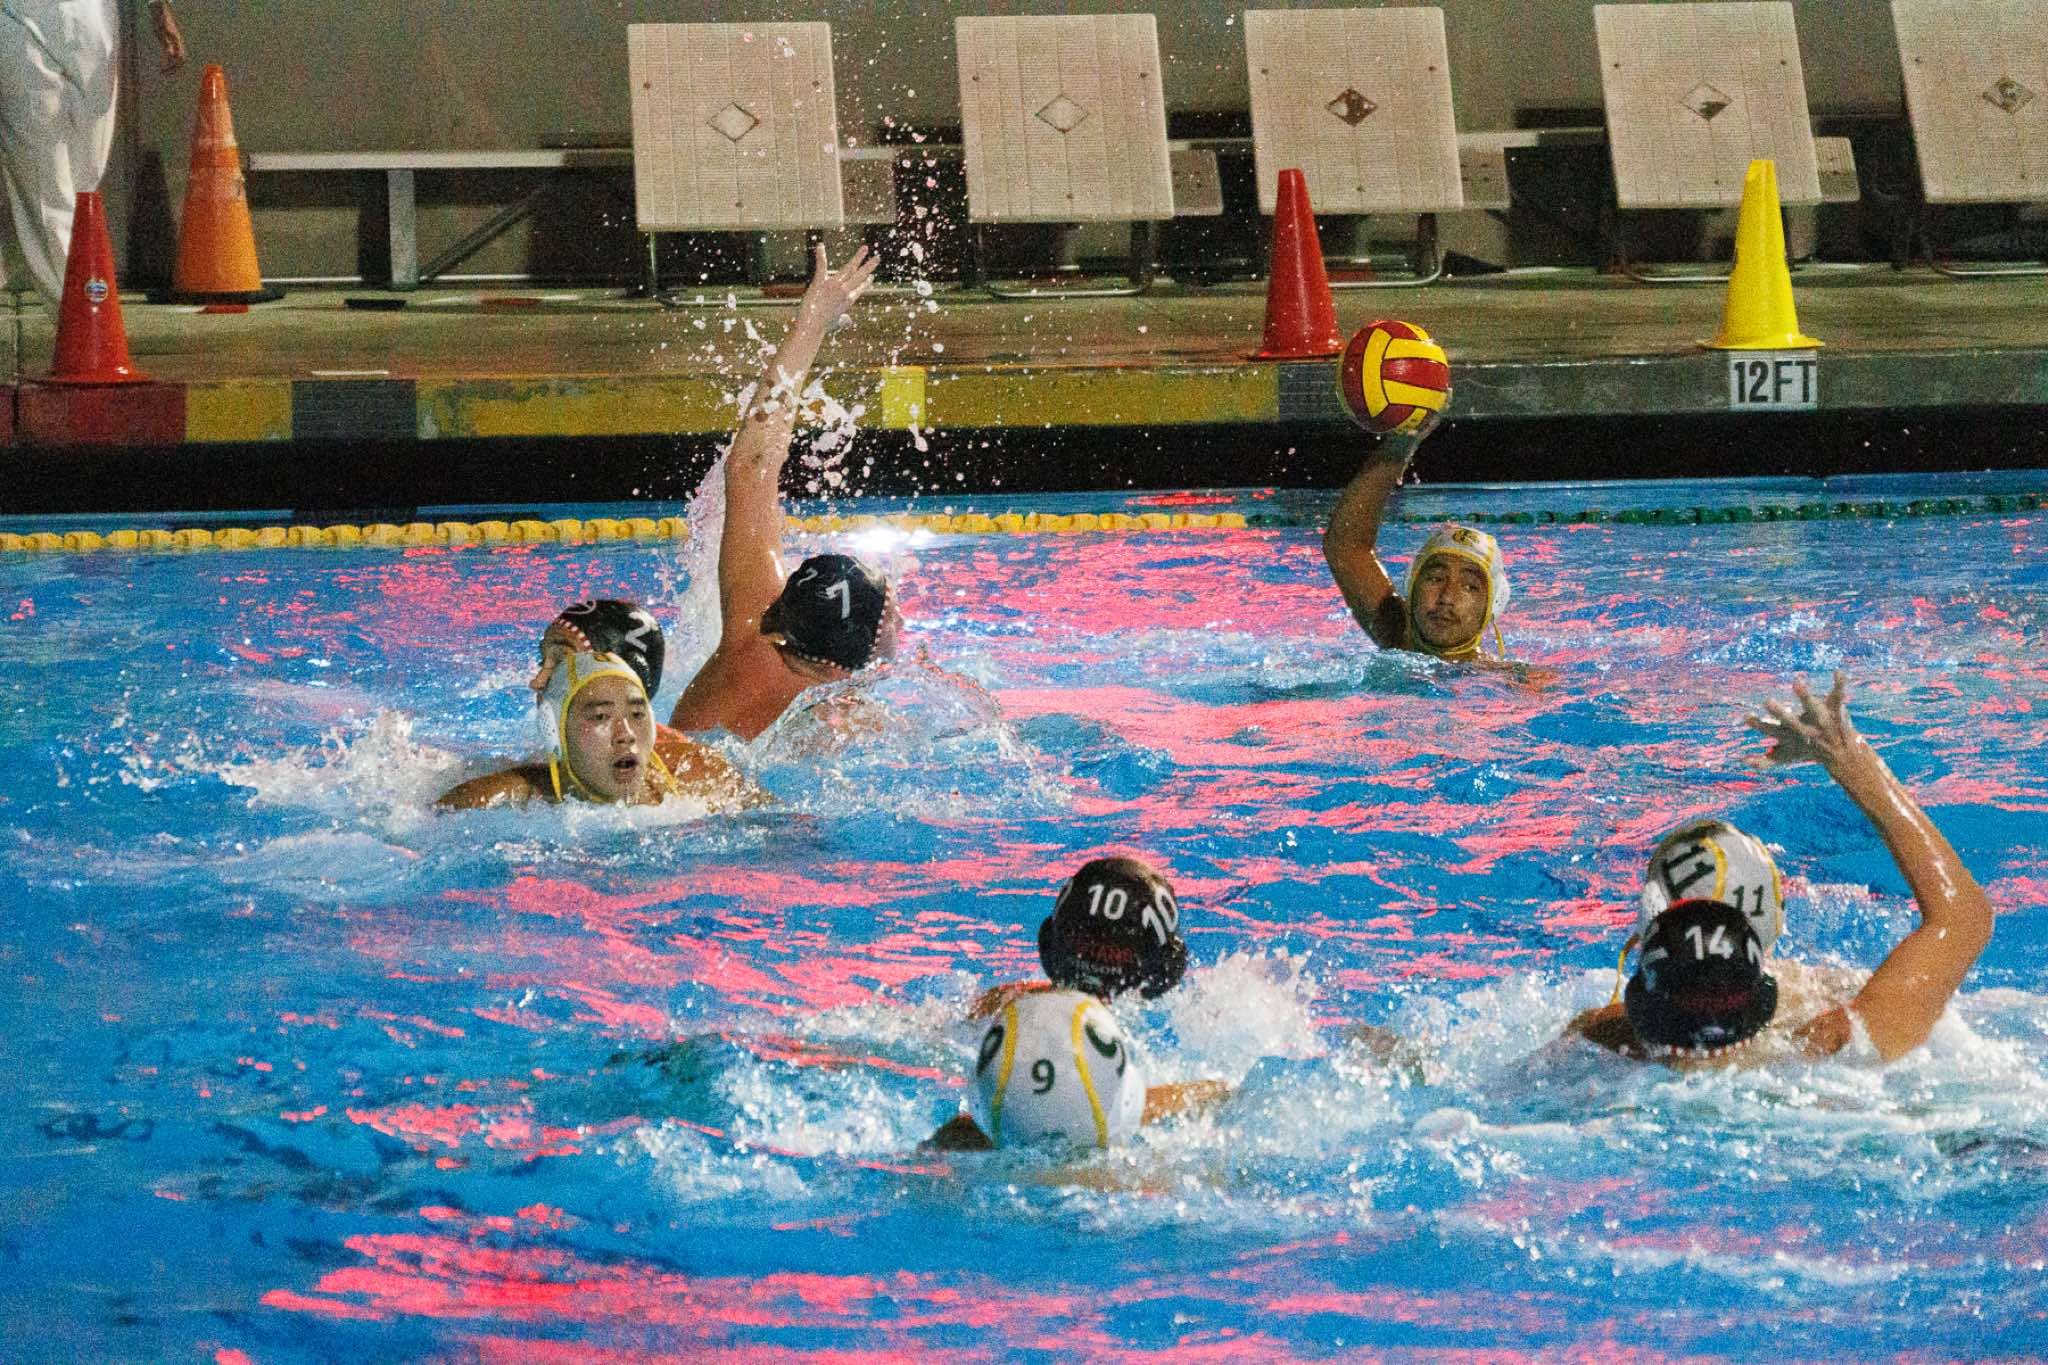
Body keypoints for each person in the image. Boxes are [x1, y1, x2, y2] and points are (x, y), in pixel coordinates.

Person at [1566, 673, 1994, 1066]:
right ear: (1766, 932)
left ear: (1646, 935)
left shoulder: (1598, 1038)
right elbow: (1963, 919)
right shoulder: (1825, 1045)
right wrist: (1847, 756)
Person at [668, 244, 899, 741]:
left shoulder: (755, 625)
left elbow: (751, 464)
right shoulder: (832, 721)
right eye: (889, 616)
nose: (900, 619)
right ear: (839, 664)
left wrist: (812, 322)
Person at [927, 857, 1226, 1150]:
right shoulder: (1172, 1026)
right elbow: (1082, 1113)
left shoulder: (1004, 1007)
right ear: (1166, 970)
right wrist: (1207, 1094)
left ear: (1050, 946)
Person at [437, 600, 756, 810]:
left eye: (561, 661)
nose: (538, 680)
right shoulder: (516, 784)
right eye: (543, 659)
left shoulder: (698, 776)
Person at [1, 0, 186, 305]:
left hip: (92, 27)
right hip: (18, 20)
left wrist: (158, 8)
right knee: (48, 190)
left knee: (81, 185)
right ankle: (84, 318)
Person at [1322, 420, 1515, 664]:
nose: (1446, 597)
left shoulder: (1510, 680)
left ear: (1492, 606)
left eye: (1469, 586)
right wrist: (1402, 441)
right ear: (1412, 587)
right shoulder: (1397, 634)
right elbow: (1345, 546)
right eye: (1435, 578)